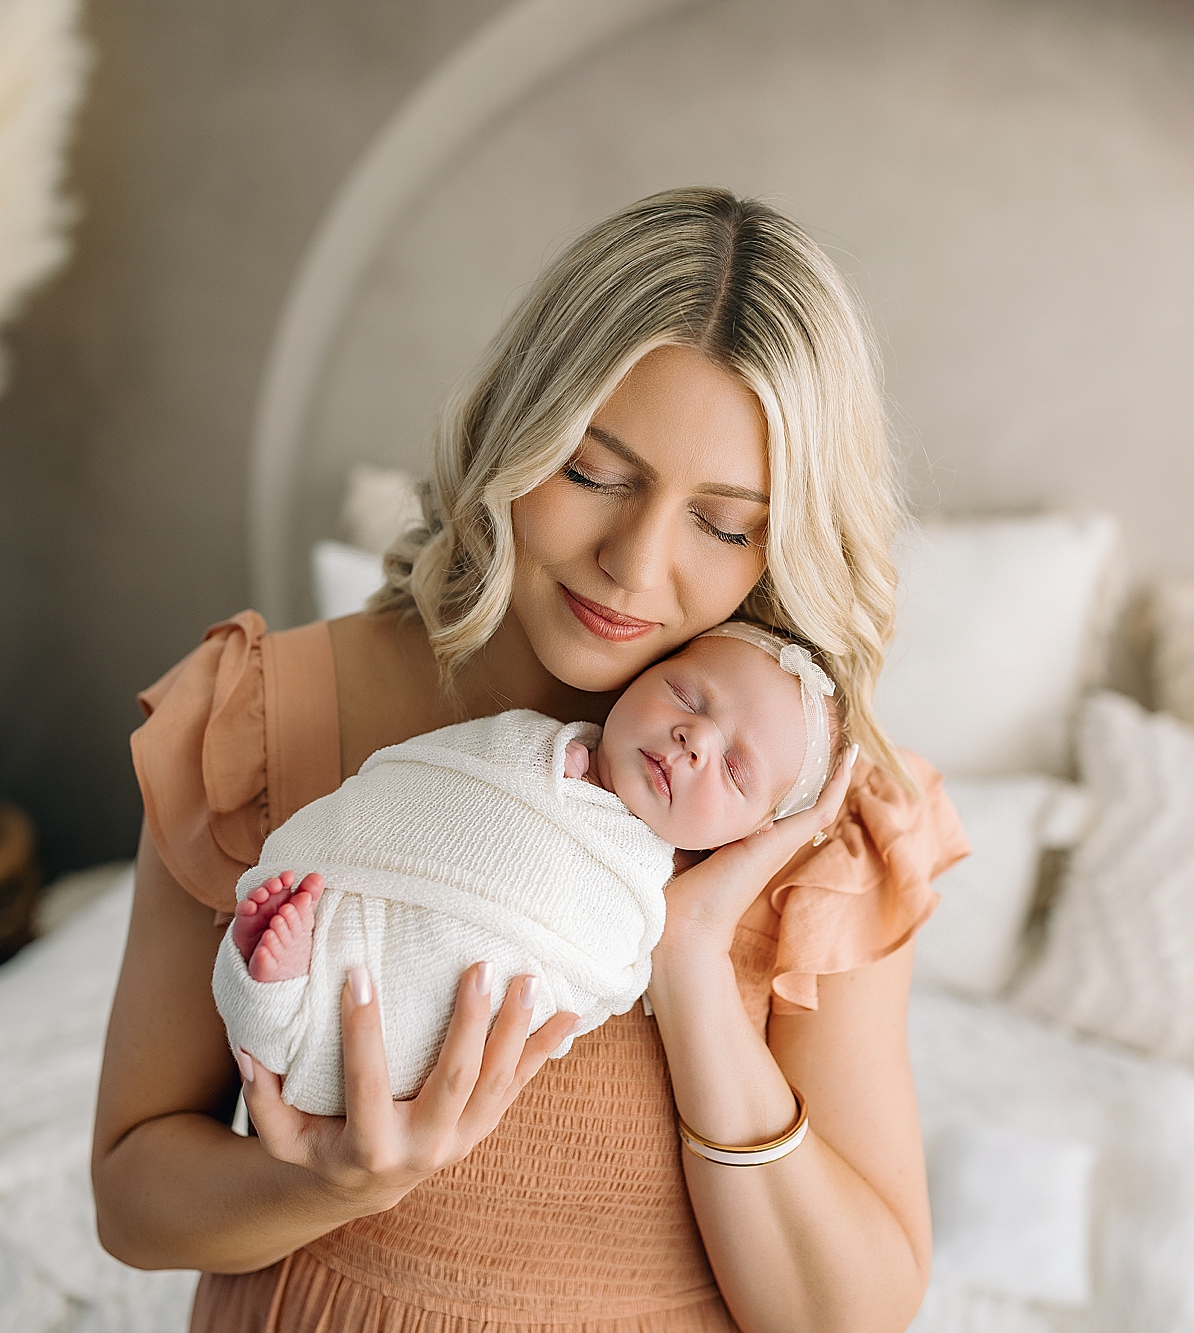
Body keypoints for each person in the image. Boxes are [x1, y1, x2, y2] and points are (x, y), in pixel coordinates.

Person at [92, 186, 971, 1332]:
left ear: (785, 540)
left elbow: (841, 1318)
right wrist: (319, 1183)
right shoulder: (263, 718)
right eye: (596, 473)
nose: (632, 564)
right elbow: (132, 1198)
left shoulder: (814, 811)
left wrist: (694, 961)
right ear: (516, 428)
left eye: (722, 523)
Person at [219, 621, 848, 1118]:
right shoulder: (525, 742)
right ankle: (284, 969)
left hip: (431, 998)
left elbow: (590, 989)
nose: (695, 739)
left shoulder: (643, 895)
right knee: (315, 908)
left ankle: (282, 991)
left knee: (410, 998)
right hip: (359, 890)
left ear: (751, 834)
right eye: (685, 695)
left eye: (734, 770)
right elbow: (420, 784)